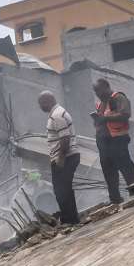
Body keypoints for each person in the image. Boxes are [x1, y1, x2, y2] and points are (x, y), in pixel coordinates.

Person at [93, 78, 134, 204]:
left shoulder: (118, 97)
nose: (97, 94)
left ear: (107, 87)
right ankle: (115, 198)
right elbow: (100, 120)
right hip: (104, 142)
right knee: (108, 171)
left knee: (126, 166)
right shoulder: (100, 104)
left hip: (117, 139)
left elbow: (125, 114)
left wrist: (105, 118)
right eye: (95, 91)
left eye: (99, 90)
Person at [39, 91, 81, 225]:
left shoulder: (57, 115)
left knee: (61, 191)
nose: (41, 107)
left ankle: (69, 219)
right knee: (65, 189)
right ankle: (71, 218)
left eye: (41, 104)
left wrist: (61, 158)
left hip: (65, 157)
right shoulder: (57, 113)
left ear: (47, 101)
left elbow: (65, 138)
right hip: (66, 157)